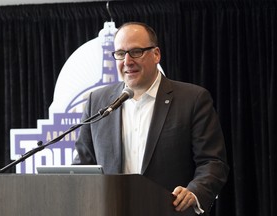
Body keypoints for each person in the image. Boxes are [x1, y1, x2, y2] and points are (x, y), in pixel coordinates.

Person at [73, 22, 229, 215]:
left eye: (136, 52)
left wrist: (194, 192)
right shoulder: (97, 102)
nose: (127, 61)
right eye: (120, 54)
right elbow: (83, 166)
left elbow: (213, 162)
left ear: (156, 54)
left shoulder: (193, 99)